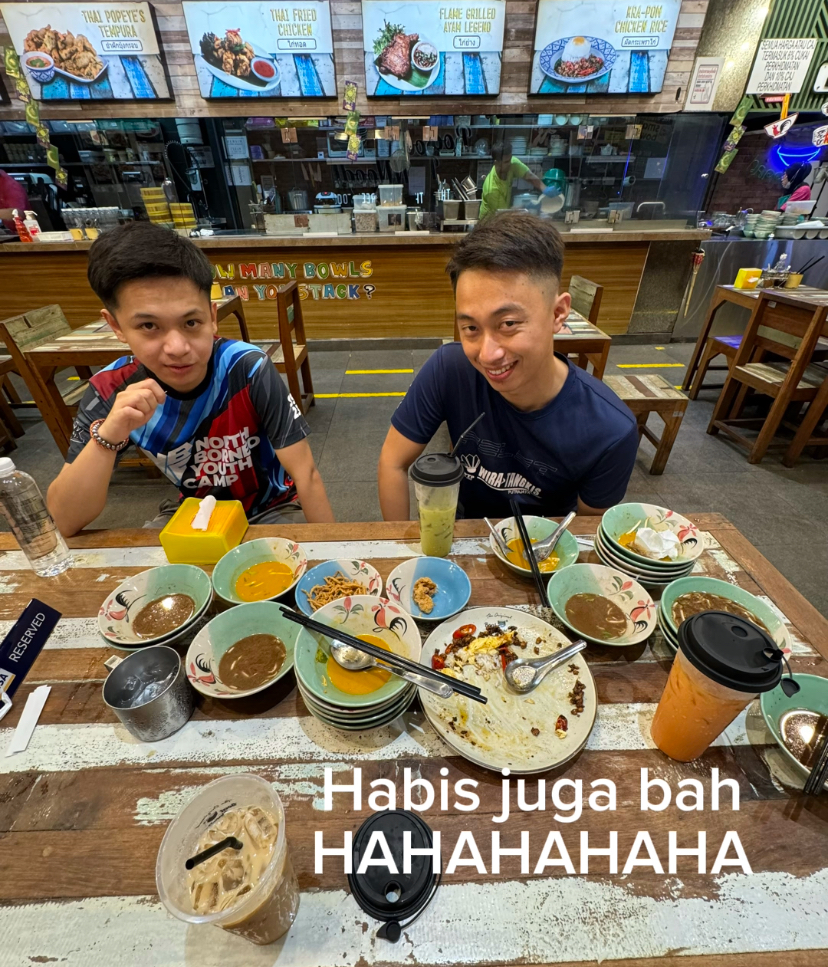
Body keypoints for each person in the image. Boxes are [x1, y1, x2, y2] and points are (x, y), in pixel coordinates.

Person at [47, 222, 334, 536]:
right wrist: (109, 436)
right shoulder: (109, 390)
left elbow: (306, 474)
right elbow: (64, 521)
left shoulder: (248, 368)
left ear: (212, 318)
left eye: (191, 322)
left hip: (271, 508)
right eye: (148, 326)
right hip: (193, 511)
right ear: (115, 325)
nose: (177, 348)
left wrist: (332, 551)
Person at [377, 212, 639, 521]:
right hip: (462, 532)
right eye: (471, 328)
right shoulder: (450, 369)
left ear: (558, 314)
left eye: (508, 323)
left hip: (543, 551)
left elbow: (588, 531)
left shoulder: (610, 429)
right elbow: (392, 463)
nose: (487, 355)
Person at [479, 142, 558, 220]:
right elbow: (504, 214)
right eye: (506, 162)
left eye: (510, 159)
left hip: (503, 216)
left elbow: (529, 176)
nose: (510, 163)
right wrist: (526, 206)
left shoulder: (511, 163)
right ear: (497, 163)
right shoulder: (492, 189)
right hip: (490, 222)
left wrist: (544, 188)